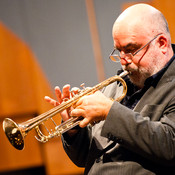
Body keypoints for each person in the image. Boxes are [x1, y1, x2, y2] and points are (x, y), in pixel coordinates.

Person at [45, 3, 175, 175]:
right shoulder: (115, 86)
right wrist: (74, 128)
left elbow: (170, 145)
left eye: (130, 49)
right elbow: (83, 157)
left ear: (161, 43)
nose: (123, 60)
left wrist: (109, 112)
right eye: (118, 51)